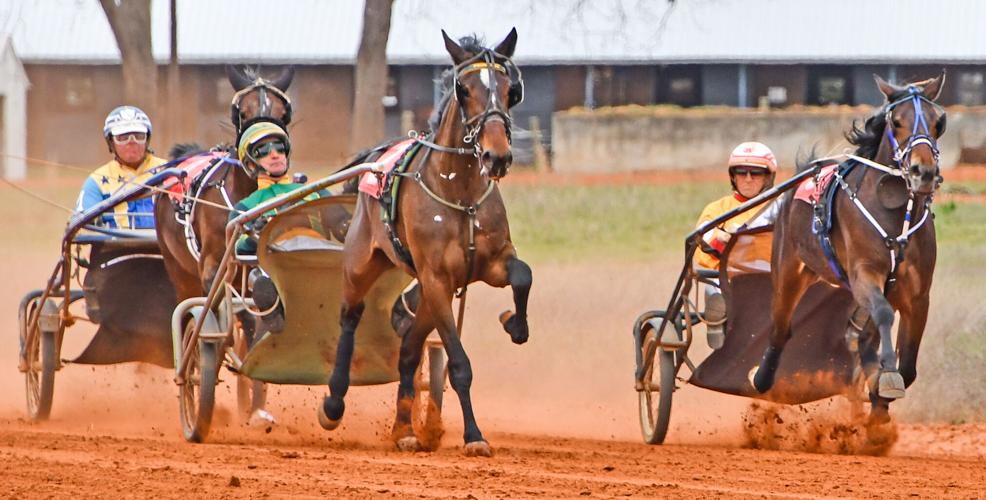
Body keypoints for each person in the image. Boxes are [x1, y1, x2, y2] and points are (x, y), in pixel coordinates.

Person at [229, 121, 329, 333]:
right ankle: (273, 313)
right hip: (277, 265)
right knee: (262, 277)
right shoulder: (246, 206)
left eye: (279, 148)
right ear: (250, 164)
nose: (274, 154)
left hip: (324, 261)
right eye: (263, 151)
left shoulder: (315, 191)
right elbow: (235, 248)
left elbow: (342, 225)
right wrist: (254, 233)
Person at [694, 141, 777, 349]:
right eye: (742, 172)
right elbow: (702, 235)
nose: (748, 179)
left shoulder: (781, 206)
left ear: (768, 177)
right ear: (733, 176)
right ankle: (720, 338)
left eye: (756, 173)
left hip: (774, 279)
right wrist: (721, 237)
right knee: (716, 293)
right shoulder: (718, 209)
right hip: (729, 279)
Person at [75, 106, 167, 229]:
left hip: (164, 247)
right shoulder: (97, 181)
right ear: (111, 142)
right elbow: (80, 220)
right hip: (117, 247)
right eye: (123, 137)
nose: (131, 142)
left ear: (147, 139)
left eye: (138, 136)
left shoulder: (169, 171)